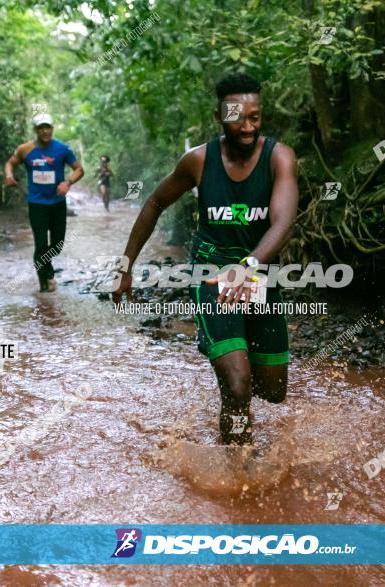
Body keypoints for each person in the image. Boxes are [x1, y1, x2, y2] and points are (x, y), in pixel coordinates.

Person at [113, 73, 299, 445]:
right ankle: (238, 469)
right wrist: (125, 266)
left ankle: (235, 379)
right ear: (218, 116)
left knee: (273, 390)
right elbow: (154, 203)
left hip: (258, 275)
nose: (247, 127)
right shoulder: (197, 161)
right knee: (238, 381)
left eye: (255, 118)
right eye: (237, 117)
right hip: (212, 277)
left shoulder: (280, 157)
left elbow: (283, 222)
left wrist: (247, 268)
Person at [4, 113, 84, 292]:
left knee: (57, 246)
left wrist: (67, 182)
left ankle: (47, 272)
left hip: (57, 203)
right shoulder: (25, 150)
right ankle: (44, 284)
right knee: (40, 245)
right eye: (41, 128)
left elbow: (79, 169)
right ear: (35, 130)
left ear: (52, 129)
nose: (45, 131)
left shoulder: (62, 149)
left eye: (48, 127)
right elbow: (10, 163)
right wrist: (9, 175)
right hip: (36, 204)